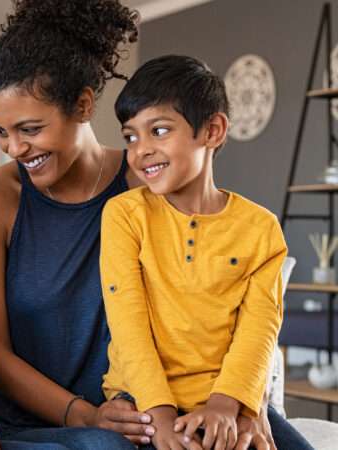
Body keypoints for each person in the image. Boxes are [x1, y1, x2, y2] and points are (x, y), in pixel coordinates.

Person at [0, 1, 287, 449]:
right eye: (0, 132)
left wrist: (249, 403)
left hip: (164, 404)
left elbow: (229, 307)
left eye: (30, 128)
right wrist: (86, 414)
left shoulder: (153, 180)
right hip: (49, 421)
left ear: (83, 104)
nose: (13, 148)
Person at [100, 54, 314, 450]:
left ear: (212, 130)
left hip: (225, 399)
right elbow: (128, 325)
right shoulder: (125, 215)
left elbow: (258, 331)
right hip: (143, 400)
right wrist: (161, 416)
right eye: (131, 136)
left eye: (159, 130)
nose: (141, 150)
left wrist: (231, 405)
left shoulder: (261, 228)